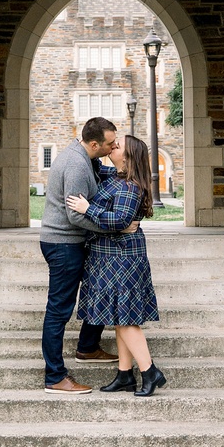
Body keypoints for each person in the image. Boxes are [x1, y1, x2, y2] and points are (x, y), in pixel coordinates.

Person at [40, 117, 136, 395]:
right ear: (94, 144)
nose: (114, 146)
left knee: (99, 290)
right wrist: (114, 227)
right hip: (63, 245)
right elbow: (74, 214)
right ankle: (55, 376)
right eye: (110, 144)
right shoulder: (76, 165)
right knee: (58, 310)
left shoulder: (85, 158)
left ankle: (88, 347)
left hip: (73, 243)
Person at [67, 134, 167, 397]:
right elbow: (93, 163)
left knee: (125, 319)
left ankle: (149, 371)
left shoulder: (129, 186)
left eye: (118, 145)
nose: (113, 147)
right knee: (119, 317)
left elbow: (121, 219)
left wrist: (88, 208)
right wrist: (83, 142)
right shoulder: (115, 177)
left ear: (128, 156)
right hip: (109, 256)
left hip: (122, 259)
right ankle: (124, 375)